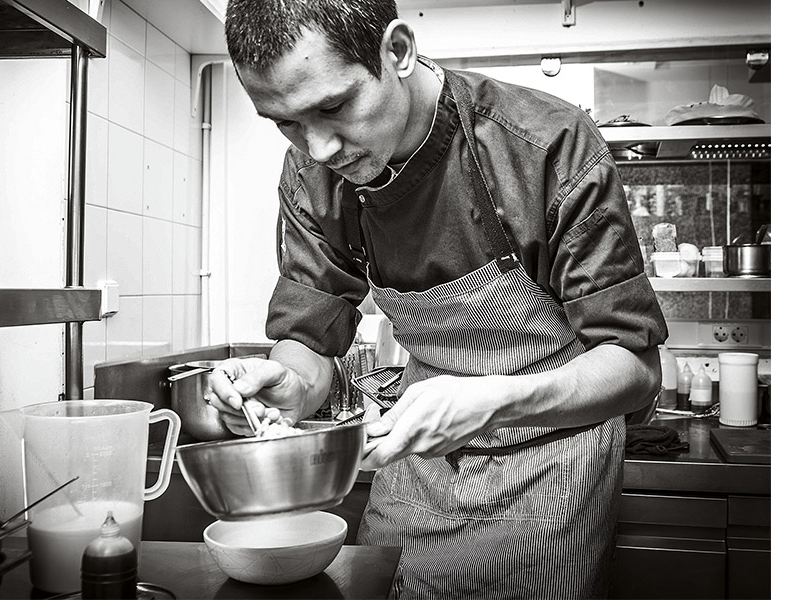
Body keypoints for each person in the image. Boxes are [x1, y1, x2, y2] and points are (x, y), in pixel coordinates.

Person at [206, 0, 668, 597]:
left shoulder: (545, 144)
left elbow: (635, 368)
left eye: (334, 107)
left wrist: (492, 402)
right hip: (416, 466)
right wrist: (291, 385)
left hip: (554, 473)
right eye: (285, 122)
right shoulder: (312, 177)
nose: (318, 148)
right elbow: (310, 337)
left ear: (397, 51)